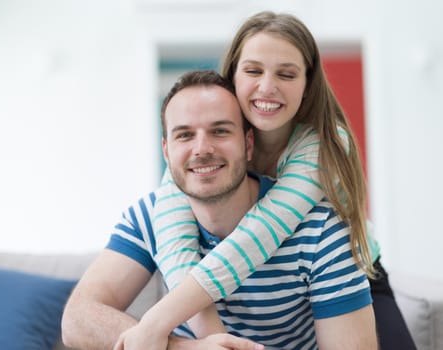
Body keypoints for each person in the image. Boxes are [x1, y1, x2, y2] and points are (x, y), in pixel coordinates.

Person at [62, 69, 378, 350]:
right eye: (185, 135)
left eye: (220, 131)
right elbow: (77, 319)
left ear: (248, 143)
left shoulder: (320, 229)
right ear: (167, 151)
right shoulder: (148, 217)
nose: (202, 149)